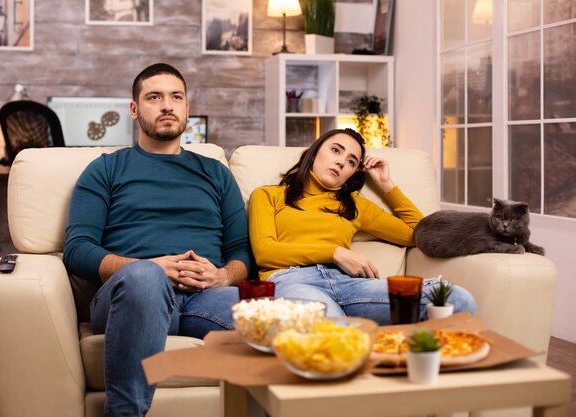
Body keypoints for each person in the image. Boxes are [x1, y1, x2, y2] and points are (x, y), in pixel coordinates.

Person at [63, 63, 252, 417]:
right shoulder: (106, 169)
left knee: (272, 316)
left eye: (176, 97)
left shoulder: (216, 173)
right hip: (131, 296)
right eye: (154, 97)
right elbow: (76, 251)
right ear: (134, 110)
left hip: (205, 298)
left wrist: (223, 276)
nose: (167, 105)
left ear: (186, 108)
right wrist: (145, 267)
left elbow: (241, 252)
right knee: (145, 279)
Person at [248, 128, 476, 325]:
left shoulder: (355, 205)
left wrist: (387, 185)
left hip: (350, 284)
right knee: (333, 331)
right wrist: (335, 253)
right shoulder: (268, 195)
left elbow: (420, 234)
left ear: (352, 174)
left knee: (456, 298)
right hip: (292, 280)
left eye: (351, 162)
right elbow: (265, 252)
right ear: (315, 151)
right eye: (336, 151)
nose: (341, 162)